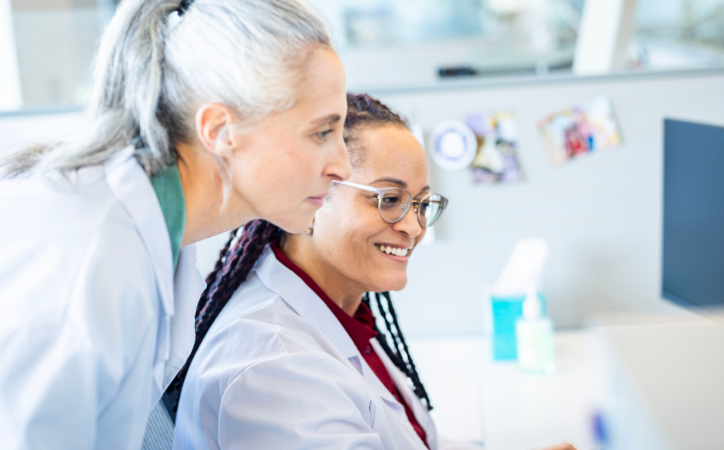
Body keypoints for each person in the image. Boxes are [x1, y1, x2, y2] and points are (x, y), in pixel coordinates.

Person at [0, 0, 349, 448]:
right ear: (221, 131)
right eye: (322, 132)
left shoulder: (158, 237)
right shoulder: (87, 264)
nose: (342, 165)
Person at [171, 94, 578, 450]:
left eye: (420, 204)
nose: (414, 227)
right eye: (388, 198)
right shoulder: (273, 369)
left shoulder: (342, 312)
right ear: (309, 199)